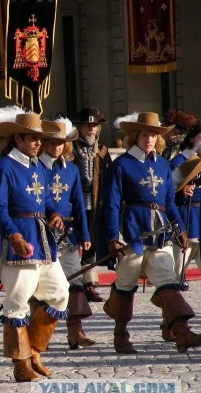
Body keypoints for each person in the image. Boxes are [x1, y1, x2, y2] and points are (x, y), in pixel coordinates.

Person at [99, 111, 201, 354]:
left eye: (154, 135)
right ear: (136, 136)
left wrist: (179, 229)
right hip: (132, 231)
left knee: (168, 280)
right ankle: (120, 334)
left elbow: (169, 203)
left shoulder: (163, 165)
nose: (150, 139)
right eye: (146, 134)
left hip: (161, 232)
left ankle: (182, 332)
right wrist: (112, 237)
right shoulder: (121, 165)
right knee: (126, 282)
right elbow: (111, 204)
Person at [0, 109, 69, 382]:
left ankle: (34, 352)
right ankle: (21, 364)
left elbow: (44, 201)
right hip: (18, 244)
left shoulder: (38, 166)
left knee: (59, 293)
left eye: (39, 138)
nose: (38, 143)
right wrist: (13, 236)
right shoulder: (4, 168)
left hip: (43, 242)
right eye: (31, 138)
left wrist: (54, 212)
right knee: (17, 303)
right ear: (17, 138)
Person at [39, 116, 95, 349]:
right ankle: (39, 335)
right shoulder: (35, 166)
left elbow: (78, 203)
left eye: (60, 143)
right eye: (52, 142)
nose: (56, 147)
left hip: (68, 233)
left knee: (75, 279)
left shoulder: (71, 170)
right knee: (40, 285)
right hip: (40, 231)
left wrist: (85, 235)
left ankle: (76, 332)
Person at [71, 107, 112, 302]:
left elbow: (110, 178)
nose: (91, 129)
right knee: (69, 243)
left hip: (95, 203)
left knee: (91, 245)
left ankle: (88, 283)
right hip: (72, 204)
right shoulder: (68, 149)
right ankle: (68, 281)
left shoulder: (102, 151)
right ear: (79, 127)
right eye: (87, 125)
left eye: (94, 125)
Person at [169, 121, 201, 291]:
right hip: (185, 215)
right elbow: (167, 192)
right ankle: (173, 311)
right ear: (191, 139)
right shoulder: (180, 161)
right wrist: (181, 190)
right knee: (178, 271)